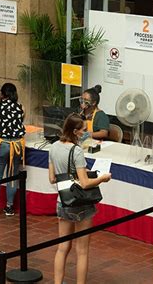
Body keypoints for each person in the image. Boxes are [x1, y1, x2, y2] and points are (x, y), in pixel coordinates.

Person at [48, 113, 111, 284]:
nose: (86, 132)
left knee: (62, 248)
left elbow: (52, 178)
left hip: (63, 201)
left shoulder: (53, 147)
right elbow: (84, 183)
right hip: (81, 204)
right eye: (84, 130)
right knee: (82, 250)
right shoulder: (76, 151)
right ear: (75, 131)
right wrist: (102, 178)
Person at [0, 83, 25, 220]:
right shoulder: (21, 107)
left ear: (2, 94)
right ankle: (9, 207)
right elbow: (20, 123)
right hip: (17, 145)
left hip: (2, 144)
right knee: (12, 177)